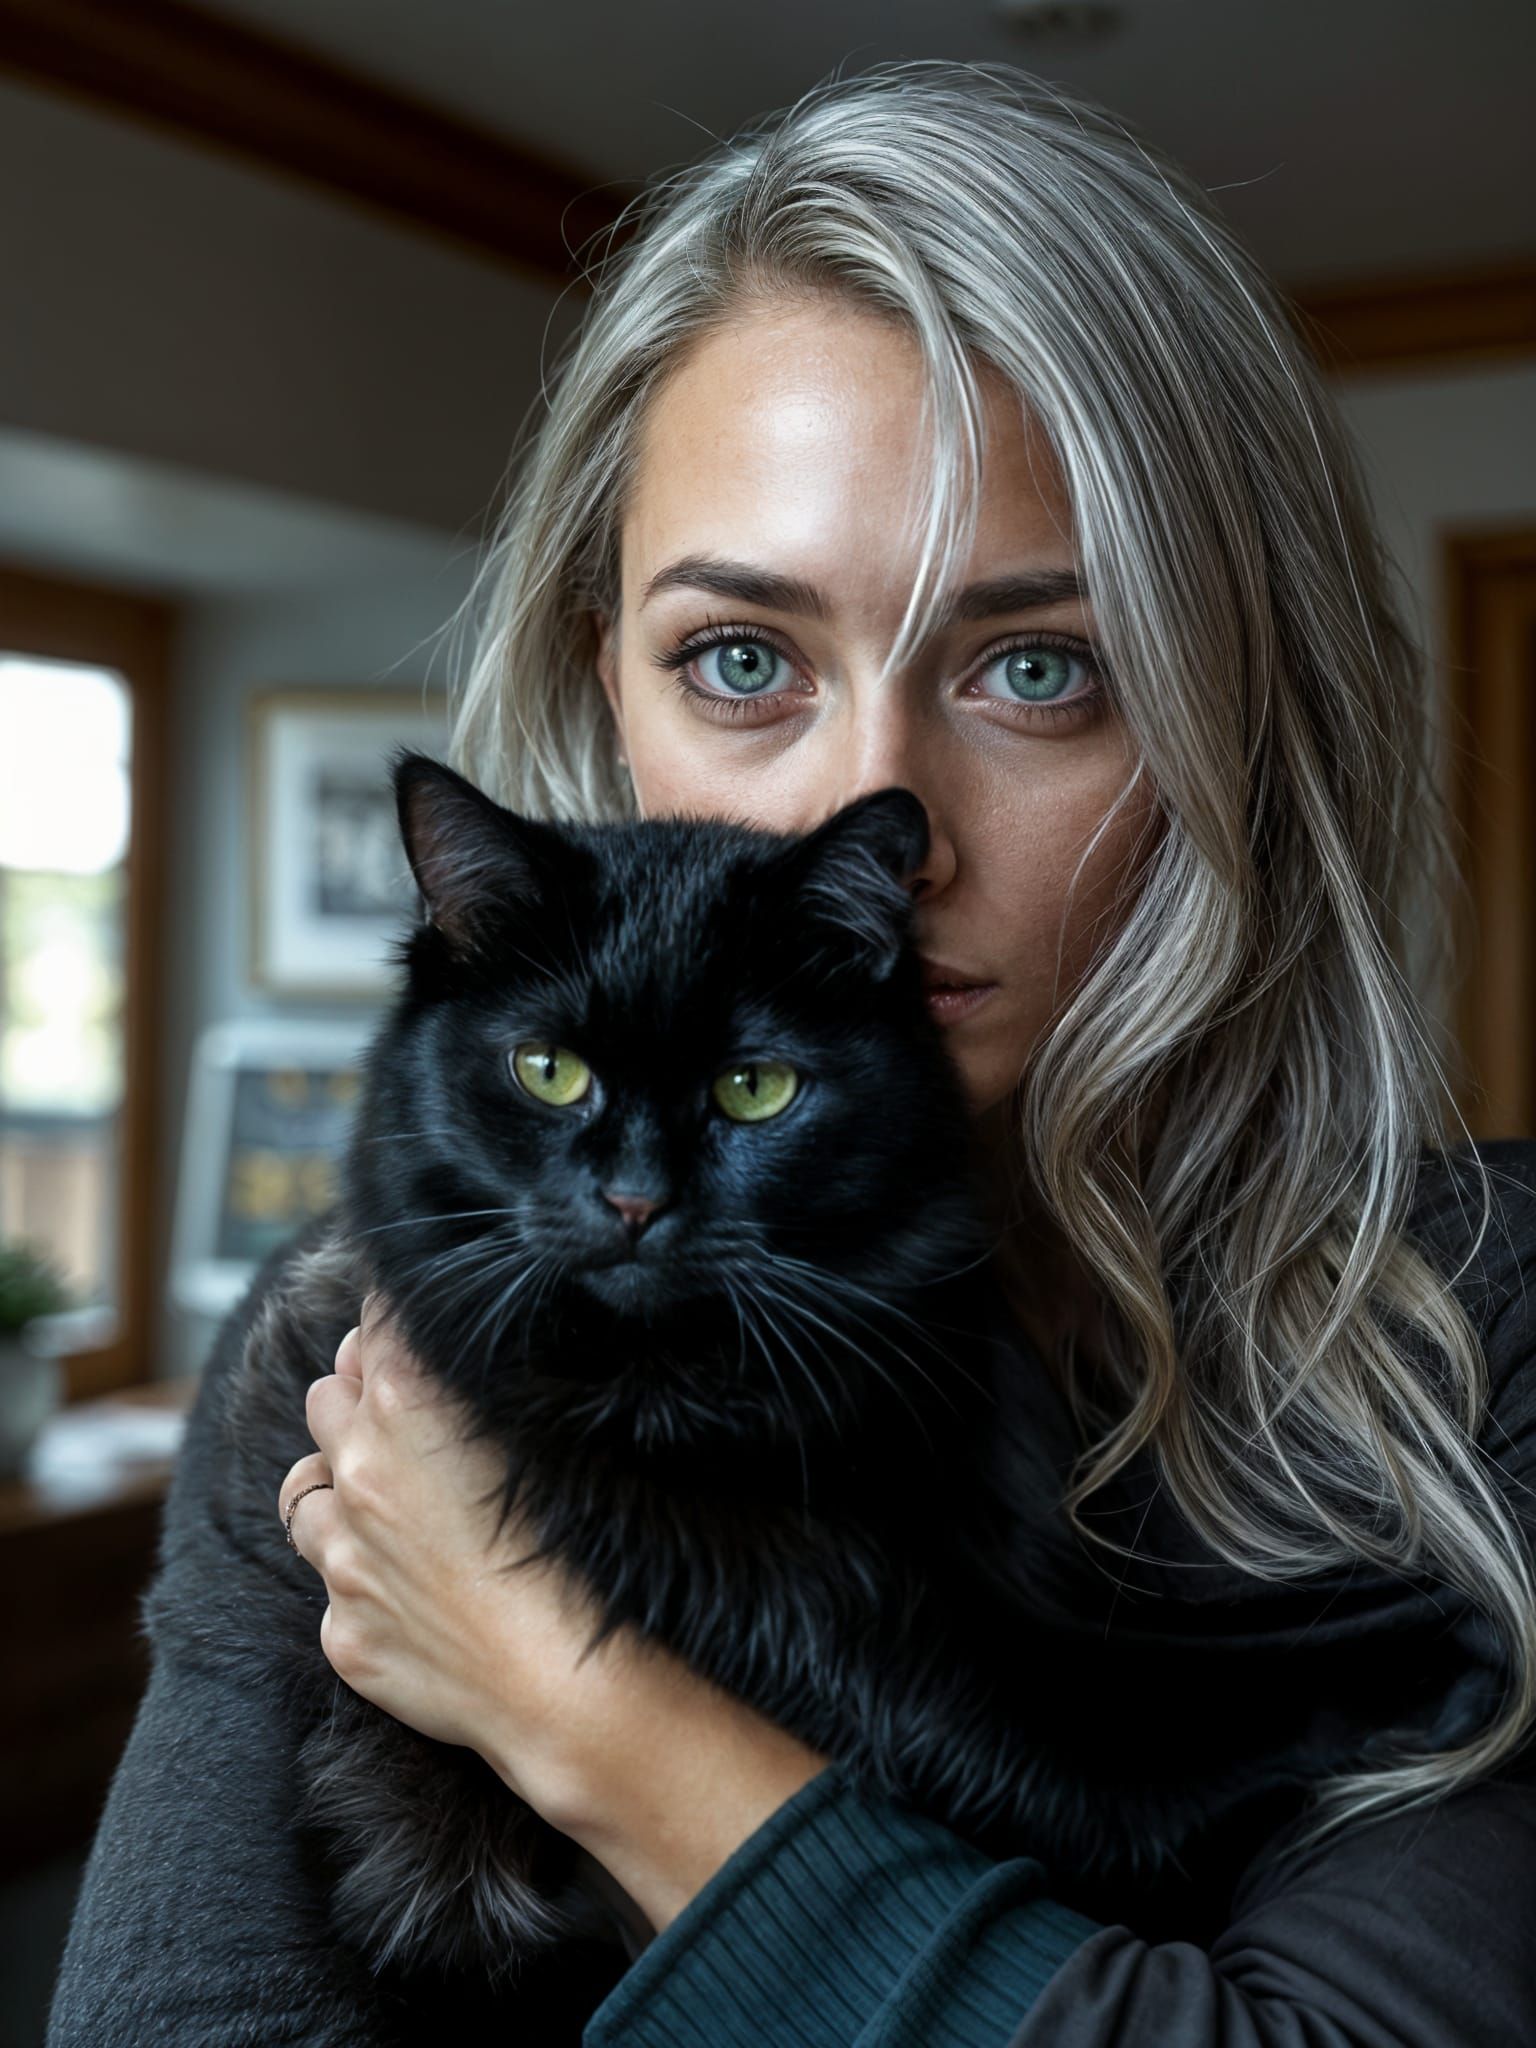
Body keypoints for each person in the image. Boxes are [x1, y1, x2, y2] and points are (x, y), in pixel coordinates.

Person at [52, 58, 1536, 2047]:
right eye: (742, 660)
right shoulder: (348, 1360)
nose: (878, 816)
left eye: (1039, 668)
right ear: (611, 679)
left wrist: (589, 1709)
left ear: (1230, 724)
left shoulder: (1478, 1331)